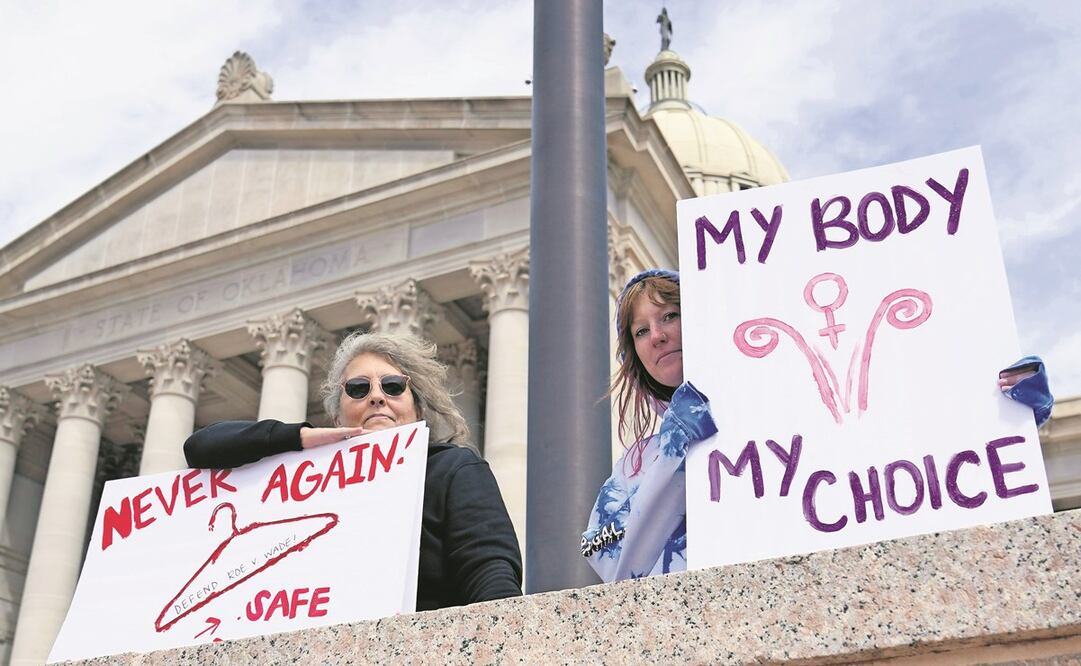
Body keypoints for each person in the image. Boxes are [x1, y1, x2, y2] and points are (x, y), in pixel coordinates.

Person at [582, 269, 1054, 583]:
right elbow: (614, 562)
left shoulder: (789, 398)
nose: (658, 335)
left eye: (670, 316)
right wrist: (674, 452)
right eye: (641, 330)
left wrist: (1004, 404)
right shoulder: (633, 465)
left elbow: (899, 438)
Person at [185, 331, 523, 610]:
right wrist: (296, 438)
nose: (376, 397)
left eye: (393, 386)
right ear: (337, 417)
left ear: (417, 408)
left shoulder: (451, 469)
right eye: (358, 389)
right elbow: (200, 448)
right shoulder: (311, 481)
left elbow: (489, 573)